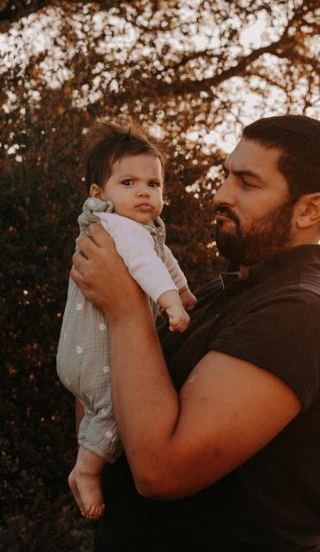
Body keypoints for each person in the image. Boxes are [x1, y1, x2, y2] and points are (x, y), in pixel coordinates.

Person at [71, 114, 320, 550]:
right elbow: (106, 406)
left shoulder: (301, 312)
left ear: (308, 209)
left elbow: (159, 471)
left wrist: (124, 310)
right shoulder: (219, 295)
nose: (221, 196)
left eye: (247, 183)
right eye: (226, 176)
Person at [57, 121, 197, 520]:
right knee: (120, 409)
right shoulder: (119, 228)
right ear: (99, 194)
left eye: (153, 185)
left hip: (82, 351)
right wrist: (173, 304)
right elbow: (145, 265)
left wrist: (185, 293)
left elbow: (164, 261)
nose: (143, 192)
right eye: (129, 183)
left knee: (107, 408)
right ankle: (85, 471)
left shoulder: (138, 229)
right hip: (92, 355)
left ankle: (86, 460)